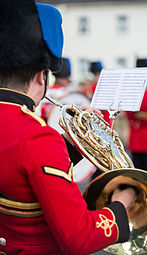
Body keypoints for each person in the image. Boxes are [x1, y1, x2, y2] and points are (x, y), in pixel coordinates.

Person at [0, 1, 137, 254]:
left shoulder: (34, 138)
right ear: (43, 76)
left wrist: (73, 142)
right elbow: (78, 237)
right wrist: (120, 205)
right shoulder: (37, 137)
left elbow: (18, 172)